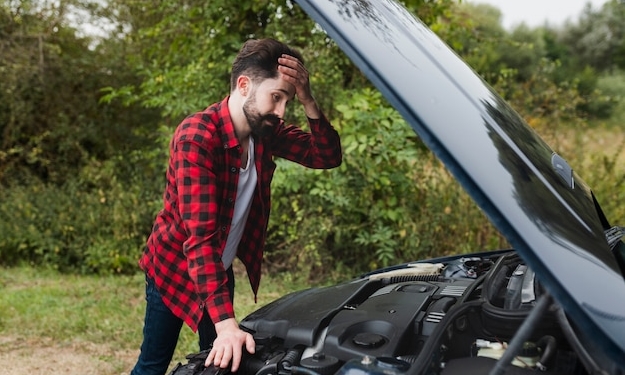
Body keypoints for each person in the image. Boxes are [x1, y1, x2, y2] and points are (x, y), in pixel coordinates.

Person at [130, 38, 343, 375]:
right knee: (153, 365)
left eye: (287, 100)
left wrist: (307, 97)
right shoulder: (197, 136)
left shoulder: (265, 131)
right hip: (175, 269)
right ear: (244, 85)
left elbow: (327, 156)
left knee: (215, 365)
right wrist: (227, 324)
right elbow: (199, 239)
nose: (281, 111)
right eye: (276, 97)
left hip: (218, 269)